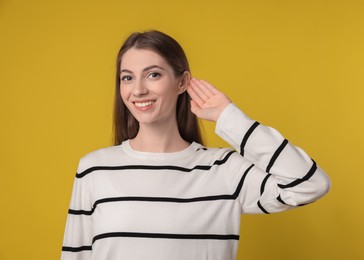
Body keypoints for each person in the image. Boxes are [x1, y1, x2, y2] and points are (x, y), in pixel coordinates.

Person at [61, 30, 330, 260]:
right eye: (127, 77)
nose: (138, 89)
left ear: (182, 82)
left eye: (153, 75)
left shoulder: (223, 170)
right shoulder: (94, 169)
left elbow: (309, 184)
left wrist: (229, 118)